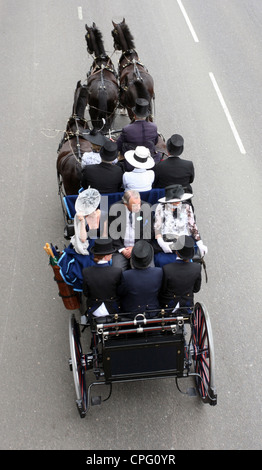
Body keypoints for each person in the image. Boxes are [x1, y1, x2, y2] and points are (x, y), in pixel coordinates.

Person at [58, 187, 106, 291]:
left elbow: (104, 234)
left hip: (98, 243)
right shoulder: (79, 217)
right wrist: (83, 222)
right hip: (86, 244)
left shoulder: (102, 214)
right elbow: (83, 239)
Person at [153, 184, 208, 267]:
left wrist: (200, 243)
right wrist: (161, 243)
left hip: (184, 243)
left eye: (178, 202)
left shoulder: (187, 207)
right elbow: (157, 228)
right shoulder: (160, 207)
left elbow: (192, 226)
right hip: (167, 243)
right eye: (174, 202)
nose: (177, 204)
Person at [108, 189, 154, 270]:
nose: (139, 207)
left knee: (147, 270)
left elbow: (149, 232)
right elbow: (112, 232)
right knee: (117, 271)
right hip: (121, 249)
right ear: (126, 204)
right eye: (135, 205)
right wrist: (122, 250)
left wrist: (135, 247)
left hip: (141, 248)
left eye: (139, 203)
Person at [117, 240, 163, 317]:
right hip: (152, 312)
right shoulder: (159, 272)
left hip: (131, 313)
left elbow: (120, 293)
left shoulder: (125, 275)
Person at [82, 238, 122, 318]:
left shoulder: (86, 272)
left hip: (94, 310)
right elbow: (120, 292)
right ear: (107, 257)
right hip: (113, 310)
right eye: (111, 254)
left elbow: (86, 293)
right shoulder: (117, 271)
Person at [159, 235, 202, 311]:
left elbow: (163, 290)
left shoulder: (167, 269)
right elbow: (196, 289)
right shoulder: (197, 268)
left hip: (168, 305)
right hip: (187, 305)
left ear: (176, 252)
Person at [116, 98, 161, 164]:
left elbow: (118, 146)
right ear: (146, 115)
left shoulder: (127, 129)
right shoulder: (154, 127)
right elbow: (155, 141)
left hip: (131, 158)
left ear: (134, 115)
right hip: (148, 157)